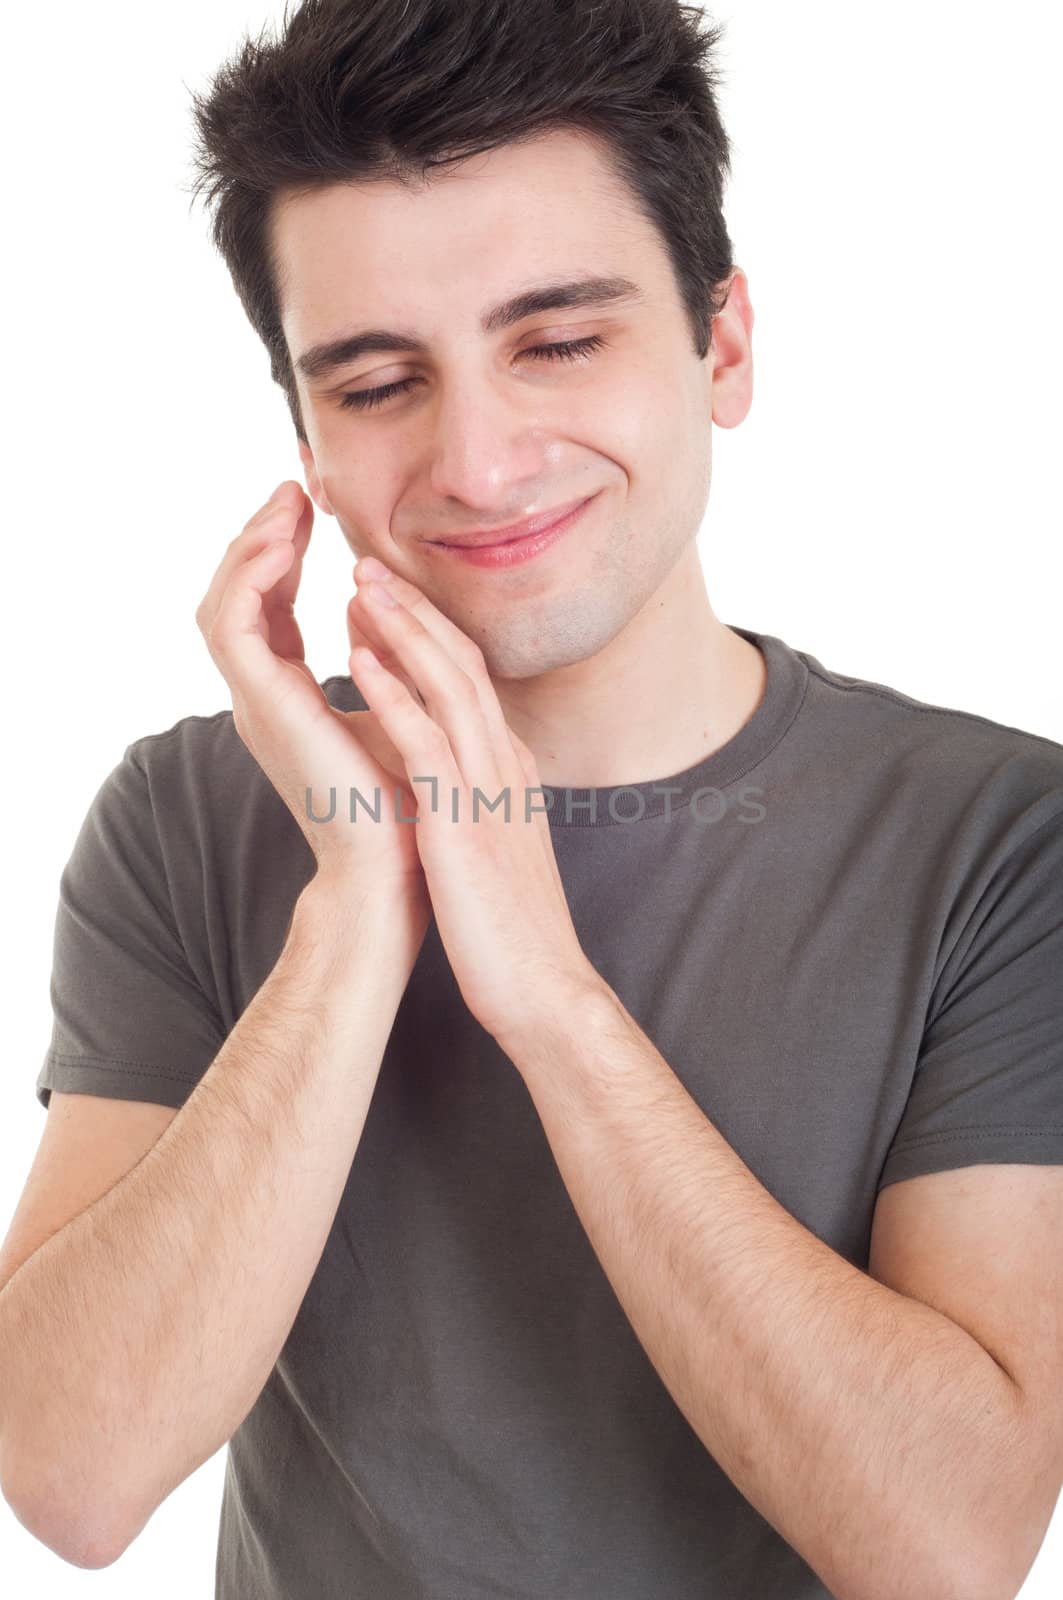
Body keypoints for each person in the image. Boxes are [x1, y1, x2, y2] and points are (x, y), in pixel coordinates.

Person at [2, 1, 1061, 1595]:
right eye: (375, 383)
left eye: (559, 342)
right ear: (304, 429)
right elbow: (70, 1479)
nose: (480, 464)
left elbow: (950, 1546)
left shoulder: (998, 838)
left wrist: (552, 1001)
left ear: (724, 345)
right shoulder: (182, 815)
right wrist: (359, 908)